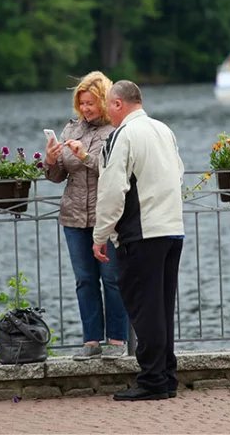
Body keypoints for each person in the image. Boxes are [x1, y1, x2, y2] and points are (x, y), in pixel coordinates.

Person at [92, 80, 185, 401]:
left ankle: (152, 381)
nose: (106, 111)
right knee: (162, 308)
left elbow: (112, 188)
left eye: (107, 105)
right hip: (172, 229)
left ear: (119, 104)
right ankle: (166, 377)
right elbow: (179, 173)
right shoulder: (163, 130)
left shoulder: (124, 135)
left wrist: (100, 234)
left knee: (145, 310)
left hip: (141, 234)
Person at [44, 71, 129, 360]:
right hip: (73, 217)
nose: (85, 109)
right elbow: (57, 177)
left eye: (91, 103)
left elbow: (113, 172)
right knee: (84, 280)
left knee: (112, 279)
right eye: (81, 103)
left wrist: (84, 157)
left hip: (106, 218)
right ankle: (91, 341)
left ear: (105, 102)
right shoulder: (71, 130)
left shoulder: (116, 132)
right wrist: (51, 160)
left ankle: (117, 341)